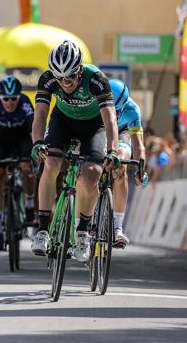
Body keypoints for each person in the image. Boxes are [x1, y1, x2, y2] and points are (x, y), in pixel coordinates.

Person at [31, 40, 120, 262]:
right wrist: (37, 142)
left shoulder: (97, 80)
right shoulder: (48, 79)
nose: (64, 82)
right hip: (63, 121)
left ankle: (82, 233)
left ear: (80, 69)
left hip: (94, 126)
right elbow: (40, 115)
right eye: (59, 78)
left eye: (69, 76)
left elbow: (109, 119)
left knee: (92, 174)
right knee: (51, 162)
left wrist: (114, 150)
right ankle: (42, 229)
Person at [0, 75, 35, 251]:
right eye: (6, 99)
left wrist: (35, 154)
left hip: (22, 139)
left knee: (27, 168)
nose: (10, 102)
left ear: (19, 97)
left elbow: (34, 131)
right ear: (0, 97)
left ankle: (29, 204)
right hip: (0, 139)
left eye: (13, 99)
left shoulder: (26, 104)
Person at [109, 79, 146, 248]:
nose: (115, 114)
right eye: (112, 109)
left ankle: (117, 227)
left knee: (120, 166)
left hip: (122, 132)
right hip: (100, 130)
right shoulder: (96, 102)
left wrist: (140, 170)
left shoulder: (132, 110)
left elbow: (139, 146)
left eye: (118, 110)